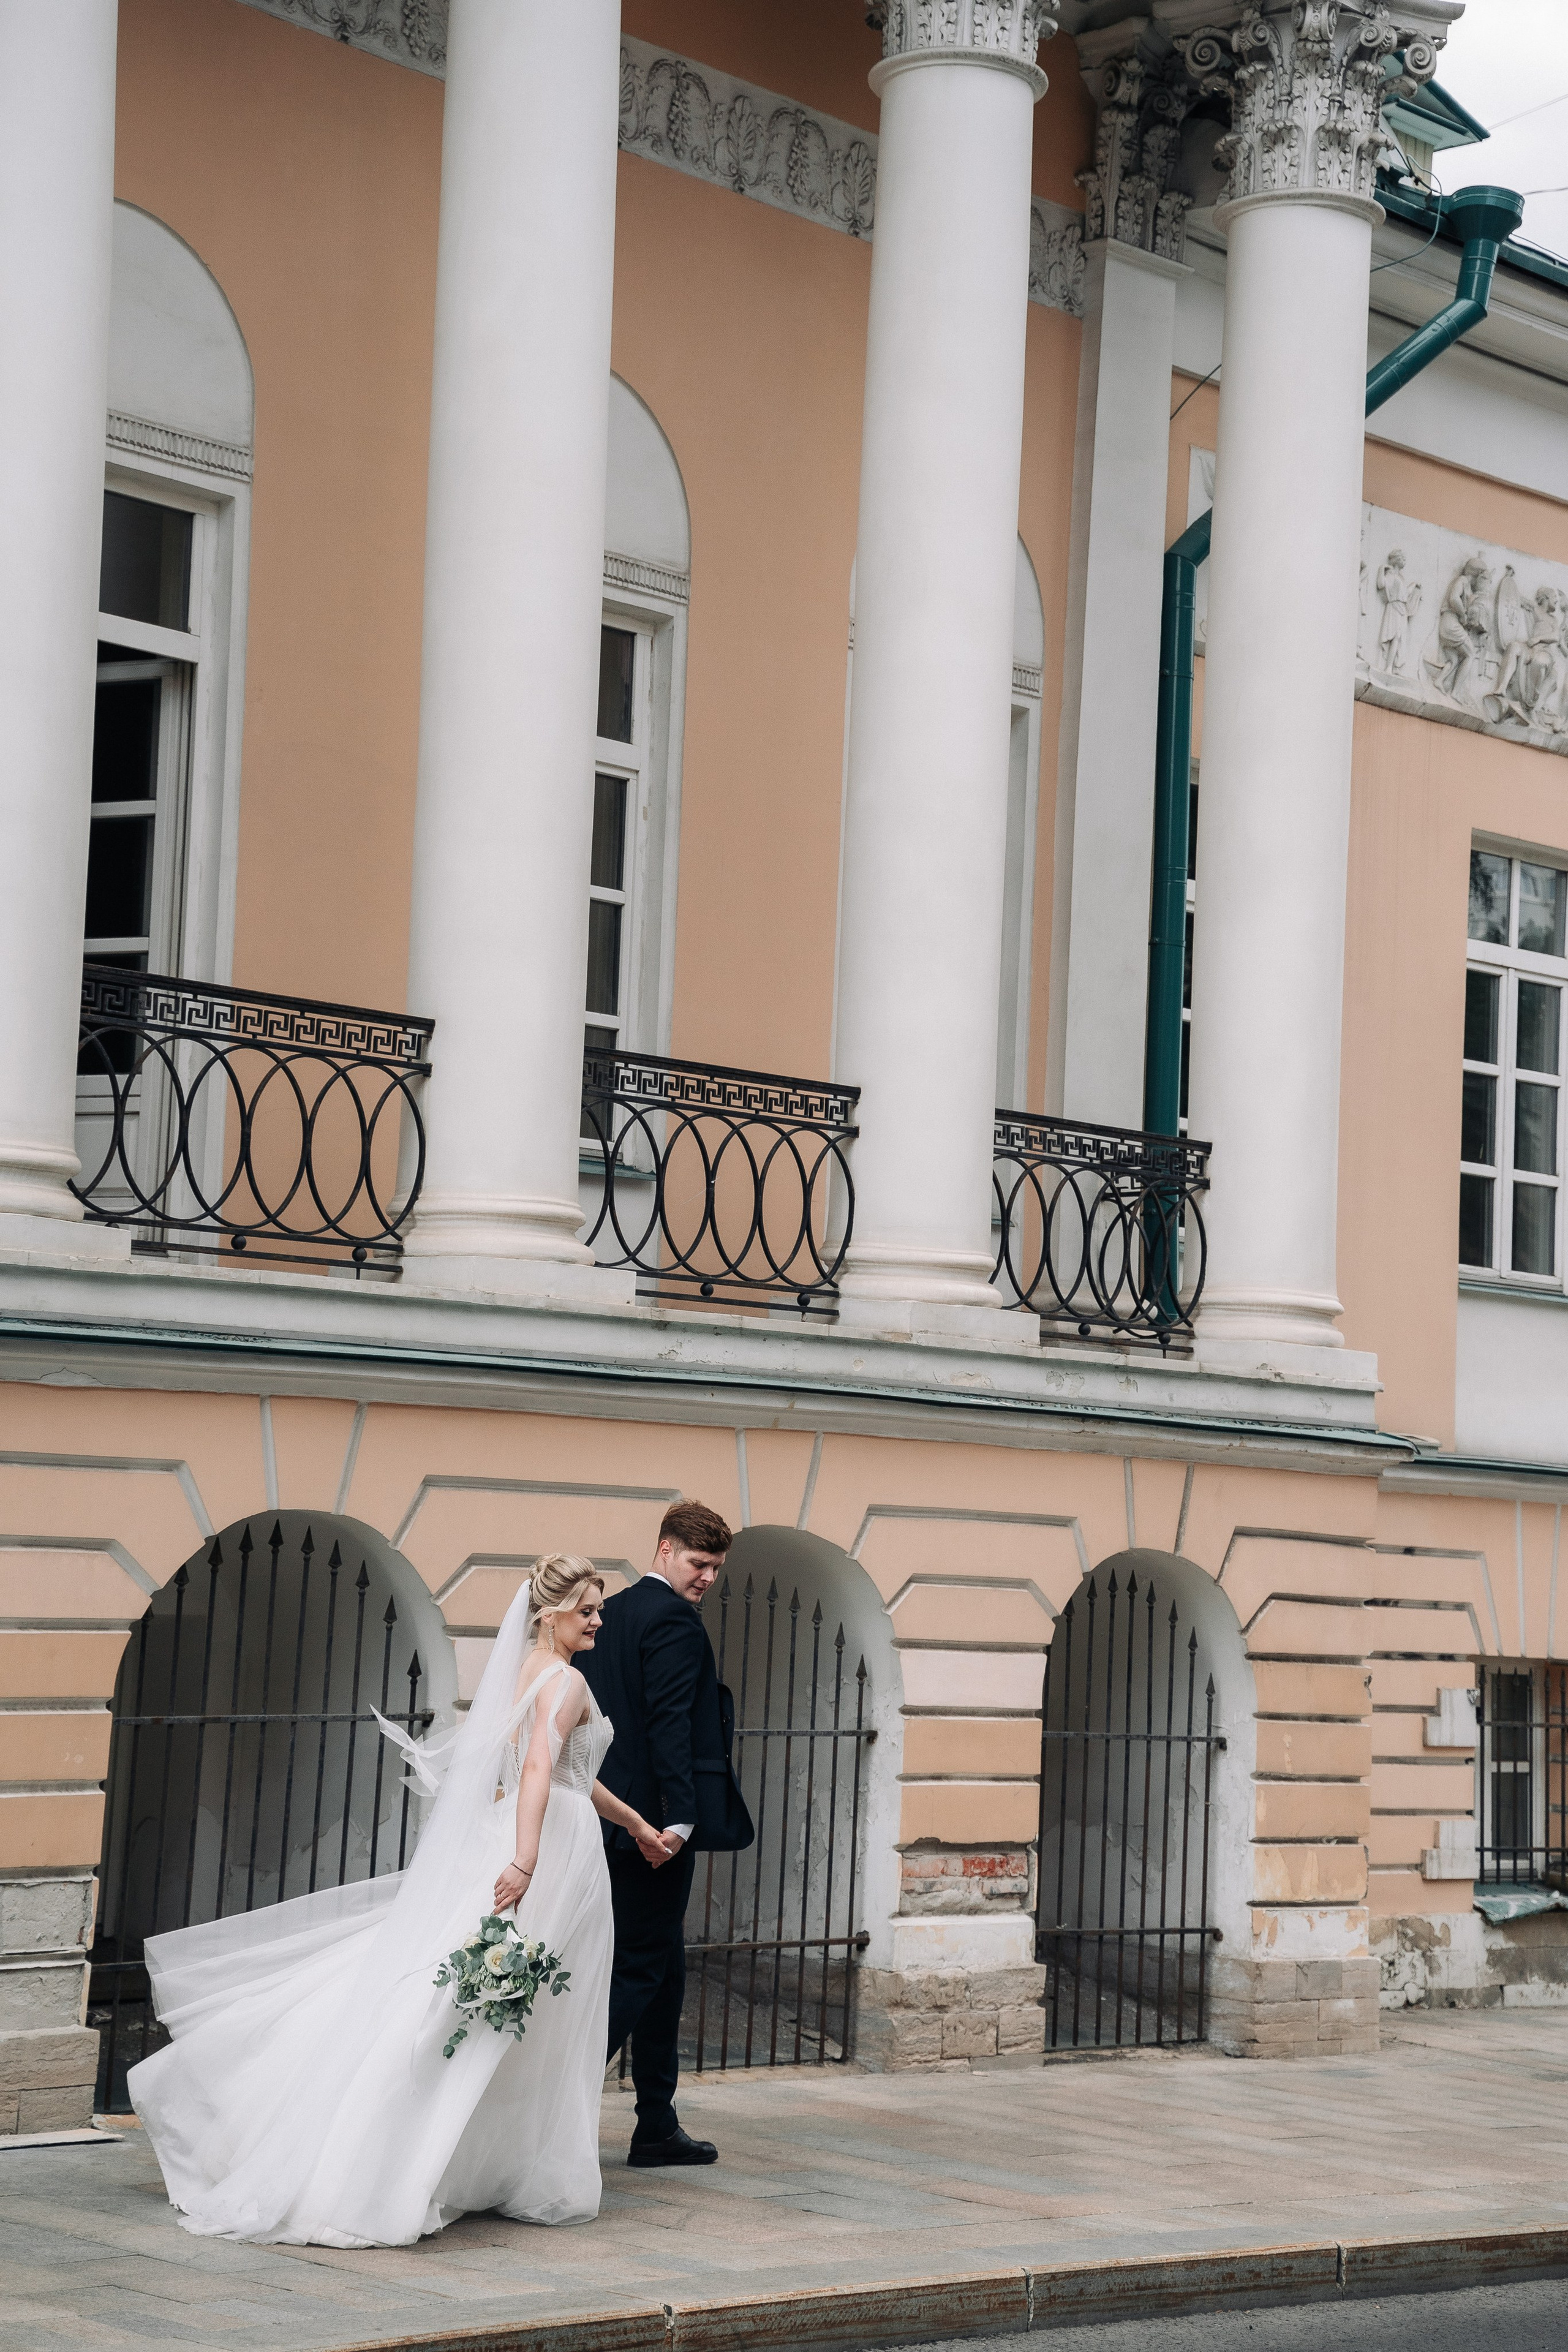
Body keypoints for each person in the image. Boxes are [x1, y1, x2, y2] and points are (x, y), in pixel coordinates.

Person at [128, 1555, 674, 2245]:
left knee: (487, 2002)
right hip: (549, 1849)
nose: (598, 1620)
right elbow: (540, 1769)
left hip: (535, 1832)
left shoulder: (524, 1674)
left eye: (599, 1608)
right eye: (588, 1609)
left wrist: (631, 1824)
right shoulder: (565, 1680)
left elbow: (569, 1772)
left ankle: (468, 2160)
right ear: (550, 1613)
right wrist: (528, 1860)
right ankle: (406, 2158)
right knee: (490, 2008)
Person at [579, 1499, 754, 2169]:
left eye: (715, 1567)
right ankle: (553, 2096)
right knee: (639, 1967)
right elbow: (670, 1725)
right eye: (697, 1562)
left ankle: (656, 2121)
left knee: (664, 1969)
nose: (706, 1577)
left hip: (604, 1818)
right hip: (651, 1829)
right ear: (664, 1551)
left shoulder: (612, 1613)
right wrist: (677, 1823)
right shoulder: (675, 1621)